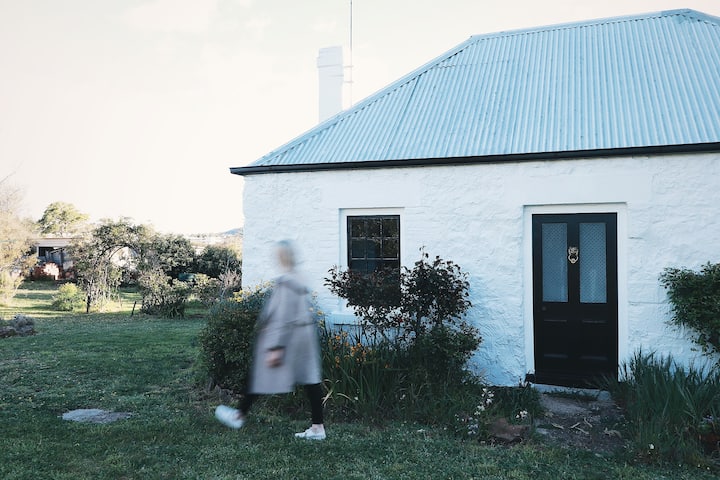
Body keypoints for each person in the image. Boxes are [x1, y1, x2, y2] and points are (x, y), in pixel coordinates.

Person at [215, 240, 325, 440]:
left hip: (286, 339)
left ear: (282, 257)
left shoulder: (286, 283)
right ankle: (318, 427)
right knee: (311, 380)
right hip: (304, 336)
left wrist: (275, 347)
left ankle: (238, 415)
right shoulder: (300, 279)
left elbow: (282, 316)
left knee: (260, 375)